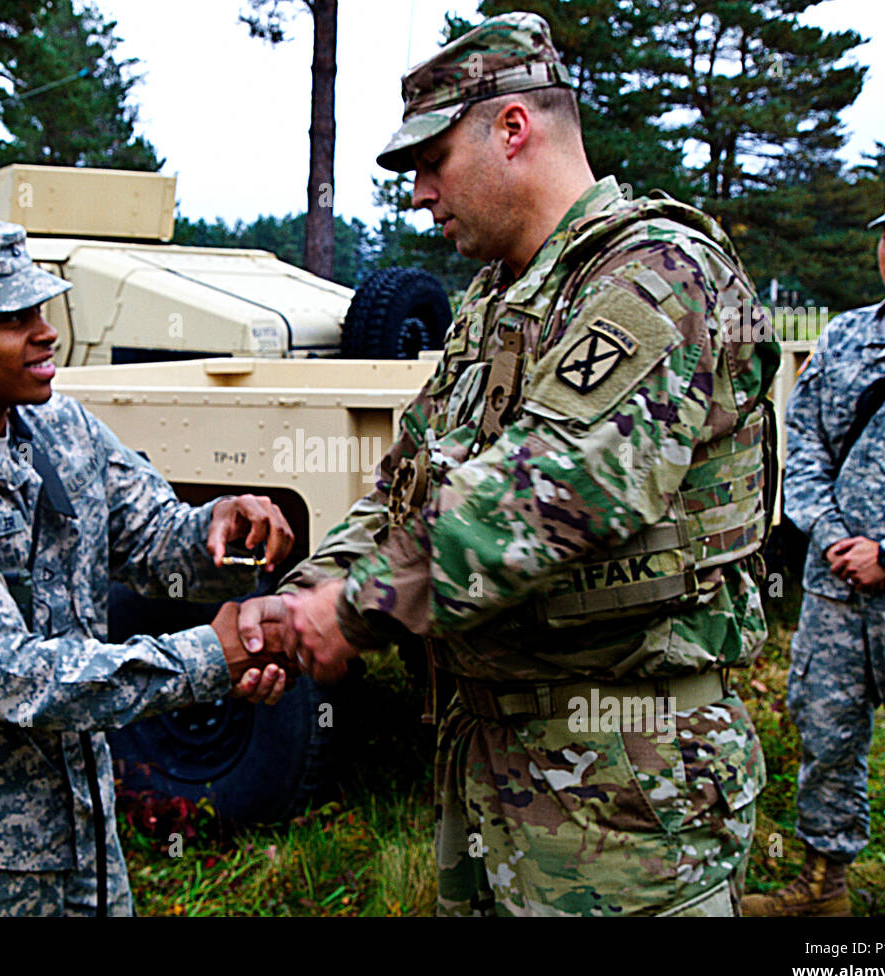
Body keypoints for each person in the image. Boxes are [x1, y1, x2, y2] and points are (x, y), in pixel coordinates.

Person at [239, 11, 775, 917]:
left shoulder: (656, 275)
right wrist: (308, 595)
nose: (418, 194)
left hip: (626, 789)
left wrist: (358, 608)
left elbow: (555, 491)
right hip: (492, 769)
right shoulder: (498, 304)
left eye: (430, 162)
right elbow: (407, 486)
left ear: (512, 130)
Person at [0, 219, 294, 917]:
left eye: (41, 309)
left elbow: (156, 541)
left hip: (87, 850)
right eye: (13, 316)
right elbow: (9, 675)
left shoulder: (63, 431)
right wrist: (207, 659)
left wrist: (226, 530)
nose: (45, 332)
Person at [744, 177, 885, 918]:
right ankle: (823, 888)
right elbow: (802, 439)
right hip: (834, 585)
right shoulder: (844, 336)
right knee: (825, 733)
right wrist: (836, 534)